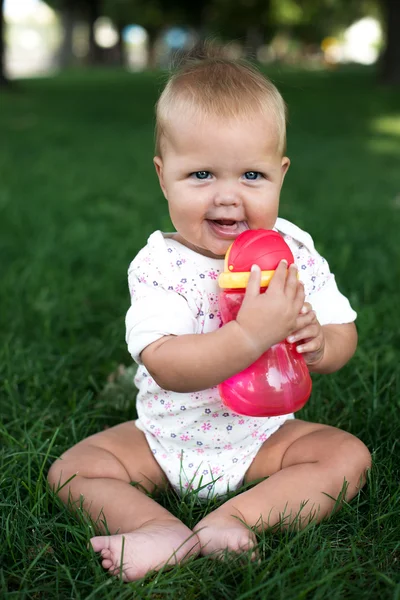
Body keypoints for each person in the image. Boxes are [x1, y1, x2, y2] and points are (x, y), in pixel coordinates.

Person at [48, 46, 371, 582]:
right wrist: (249, 335)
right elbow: (169, 368)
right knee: (72, 470)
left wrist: (320, 342)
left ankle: (233, 520)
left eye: (251, 175)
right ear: (162, 176)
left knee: (346, 455)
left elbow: (343, 335)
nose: (228, 197)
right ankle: (158, 529)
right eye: (201, 175)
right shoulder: (160, 266)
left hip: (263, 439)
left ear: (280, 174)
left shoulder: (292, 250)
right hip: (166, 439)